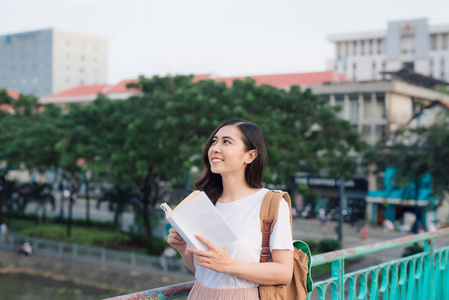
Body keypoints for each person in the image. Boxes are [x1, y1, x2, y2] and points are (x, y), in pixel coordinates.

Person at [167, 119, 294, 299]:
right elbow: (205, 271)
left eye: (226, 142)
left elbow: (284, 272)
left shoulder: (270, 203)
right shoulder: (205, 203)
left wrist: (228, 265)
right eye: (214, 141)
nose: (215, 148)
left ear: (250, 156)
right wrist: (183, 249)